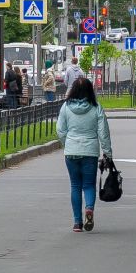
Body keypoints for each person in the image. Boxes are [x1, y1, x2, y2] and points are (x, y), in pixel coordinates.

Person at [55, 76, 113, 231]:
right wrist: (107, 153)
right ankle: (89, 209)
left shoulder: (66, 107)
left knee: (75, 185)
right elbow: (103, 132)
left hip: (71, 151)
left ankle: (77, 222)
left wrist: (67, 144)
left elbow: (60, 130)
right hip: (90, 152)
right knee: (88, 185)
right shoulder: (96, 107)